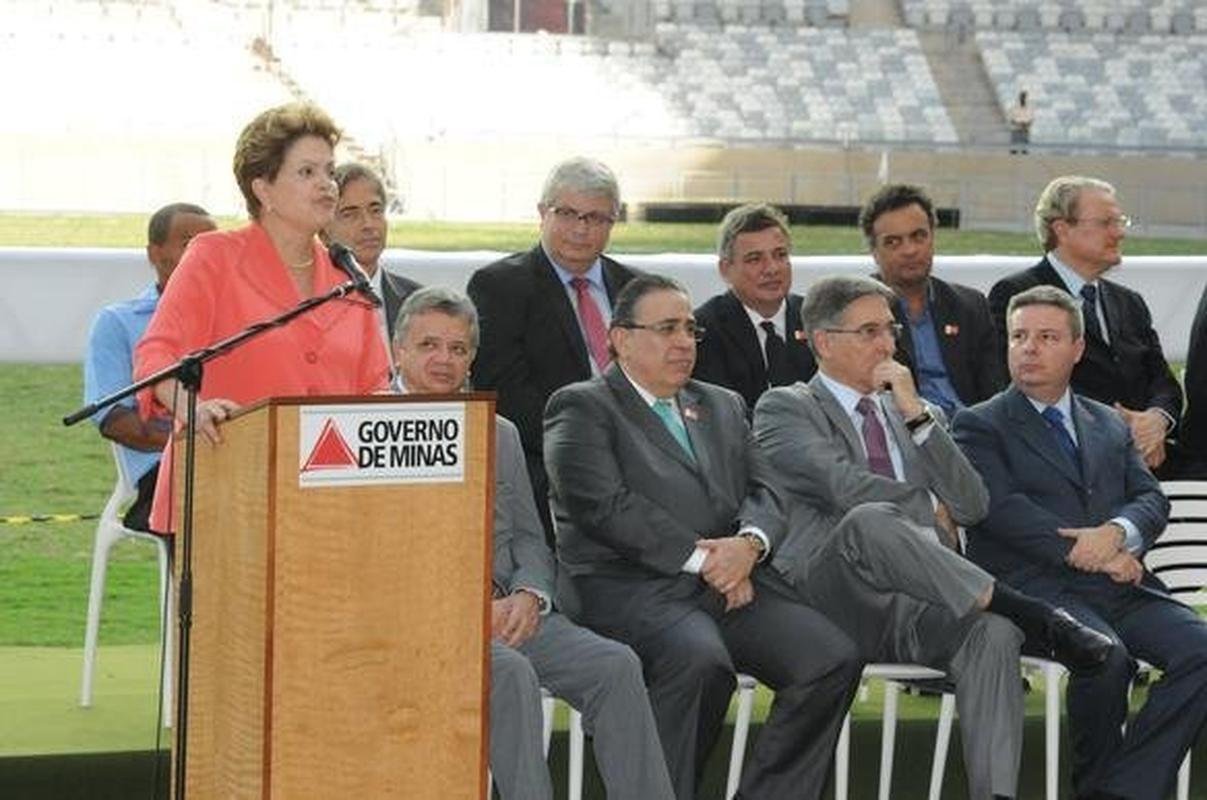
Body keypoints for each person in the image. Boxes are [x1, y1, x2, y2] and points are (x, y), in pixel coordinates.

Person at [752, 275, 1111, 800]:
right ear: (824, 341)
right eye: (870, 331)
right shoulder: (786, 407)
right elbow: (841, 487)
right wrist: (926, 506)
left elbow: (972, 505)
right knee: (869, 519)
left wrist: (918, 417)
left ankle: (996, 794)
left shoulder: (919, 413)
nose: (887, 344)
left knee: (994, 635)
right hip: (830, 599)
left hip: (920, 602)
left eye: (890, 330)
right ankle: (1037, 615)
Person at [544, 274, 862, 800]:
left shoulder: (721, 404)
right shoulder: (582, 406)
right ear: (621, 338)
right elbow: (605, 507)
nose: (684, 342)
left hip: (734, 584)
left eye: (690, 329)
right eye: (667, 329)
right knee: (700, 662)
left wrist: (750, 546)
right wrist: (710, 562)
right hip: (630, 587)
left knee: (830, 658)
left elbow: (768, 488)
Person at [391, 287, 673, 800]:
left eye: (458, 348)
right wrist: (468, 612)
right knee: (511, 674)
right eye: (429, 345)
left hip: (512, 612)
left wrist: (530, 595)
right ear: (399, 350)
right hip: (421, 622)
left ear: (472, 358)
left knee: (616, 665)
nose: (444, 360)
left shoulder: (498, 432)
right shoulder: (363, 428)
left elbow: (528, 535)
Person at [953, 285, 1207, 800]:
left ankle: (1120, 791)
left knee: (1201, 652)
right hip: (1036, 589)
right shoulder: (978, 424)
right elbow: (998, 509)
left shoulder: (1107, 421)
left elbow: (1149, 498)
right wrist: (1091, 553)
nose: (1029, 348)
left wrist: (1117, 535)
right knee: (1106, 658)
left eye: (1047, 337)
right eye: (1019, 336)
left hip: (1122, 588)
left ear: (1077, 348)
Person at [135, 102, 391, 533]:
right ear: (263, 190)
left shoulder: (347, 276)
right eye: (307, 172)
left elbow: (374, 388)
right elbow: (157, 354)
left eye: (329, 171)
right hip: (224, 491)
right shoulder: (214, 257)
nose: (327, 185)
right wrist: (190, 406)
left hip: (327, 503)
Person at [468, 156, 638, 544]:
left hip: (642, 463)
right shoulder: (500, 287)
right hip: (550, 467)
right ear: (542, 213)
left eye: (596, 218)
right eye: (567, 214)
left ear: (613, 222)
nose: (581, 229)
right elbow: (505, 394)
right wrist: (587, 450)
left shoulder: (637, 289)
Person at [988, 176, 1181, 473]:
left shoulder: (1129, 302)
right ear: (1062, 229)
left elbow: (1163, 381)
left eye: (1120, 222)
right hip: (1067, 466)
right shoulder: (1018, 295)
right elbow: (1024, 382)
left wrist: (1156, 420)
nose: (1119, 233)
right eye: (1106, 223)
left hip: (1151, 459)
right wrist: (1120, 427)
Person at [83, 202, 215, 531]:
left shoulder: (241, 317)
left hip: (234, 461)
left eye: (211, 244)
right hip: (164, 474)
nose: (203, 254)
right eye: (188, 243)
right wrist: (194, 440)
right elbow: (116, 421)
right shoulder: (118, 322)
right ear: (154, 254)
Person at [860, 184, 1005, 416]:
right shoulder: (857, 314)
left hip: (970, 430)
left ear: (932, 237)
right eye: (893, 242)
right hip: (903, 429)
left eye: (918, 236)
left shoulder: (970, 306)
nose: (910, 250)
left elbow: (994, 394)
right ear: (874, 252)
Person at [692, 203, 816, 415]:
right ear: (725, 269)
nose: (771, 269)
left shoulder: (817, 318)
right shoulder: (705, 330)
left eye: (780, 255)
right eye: (755, 259)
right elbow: (719, 416)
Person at [324, 162, 419, 350]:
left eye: (375, 211)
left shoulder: (418, 302)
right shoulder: (308, 303)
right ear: (323, 230)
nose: (368, 224)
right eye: (350, 214)